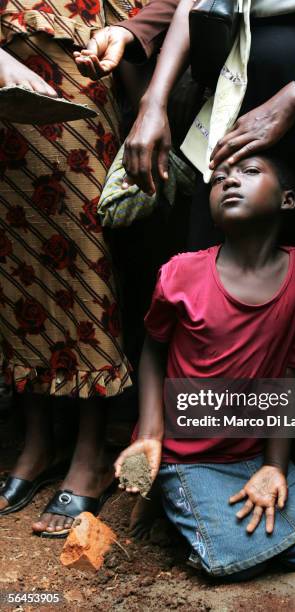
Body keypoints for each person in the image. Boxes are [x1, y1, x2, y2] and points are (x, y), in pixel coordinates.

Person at [0, 0, 177, 538]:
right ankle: (36, 443)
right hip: (6, 96)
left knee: (84, 268)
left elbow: (175, 5)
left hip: (77, 96)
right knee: (14, 271)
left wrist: (123, 33)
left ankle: (90, 451)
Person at [113, 152, 295, 580]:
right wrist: (152, 435)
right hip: (184, 452)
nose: (230, 182)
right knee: (230, 564)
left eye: (249, 172)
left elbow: (292, 374)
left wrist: (273, 465)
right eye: (218, 179)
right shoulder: (181, 273)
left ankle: (194, 517)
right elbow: (153, 352)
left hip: (249, 452)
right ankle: (168, 493)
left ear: (288, 200)